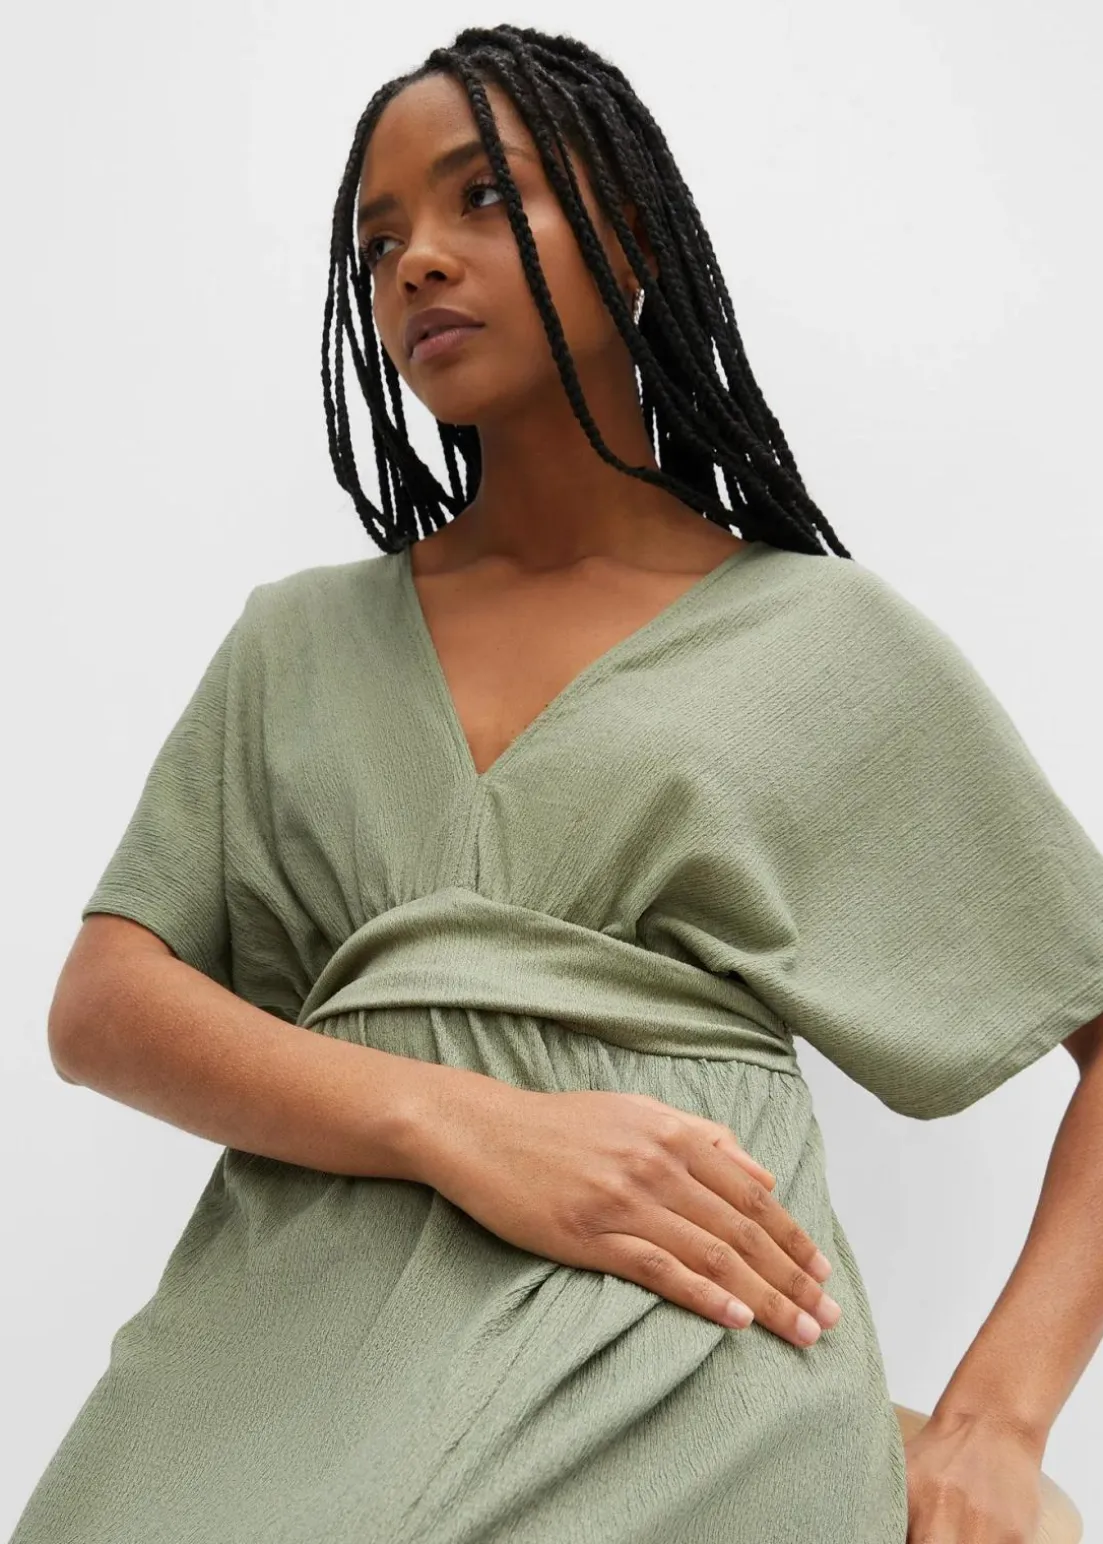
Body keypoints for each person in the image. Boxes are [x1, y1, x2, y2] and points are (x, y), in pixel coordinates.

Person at [15, 23, 1103, 1544]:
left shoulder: (824, 642)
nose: (415, 262)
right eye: (377, 240)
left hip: (672, 1367)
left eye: (483, 196)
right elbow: (105, 1004)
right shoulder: (294, 643)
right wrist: (455, 1121)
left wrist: (998, 1420)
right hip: (271, 1356)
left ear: (633, 236)